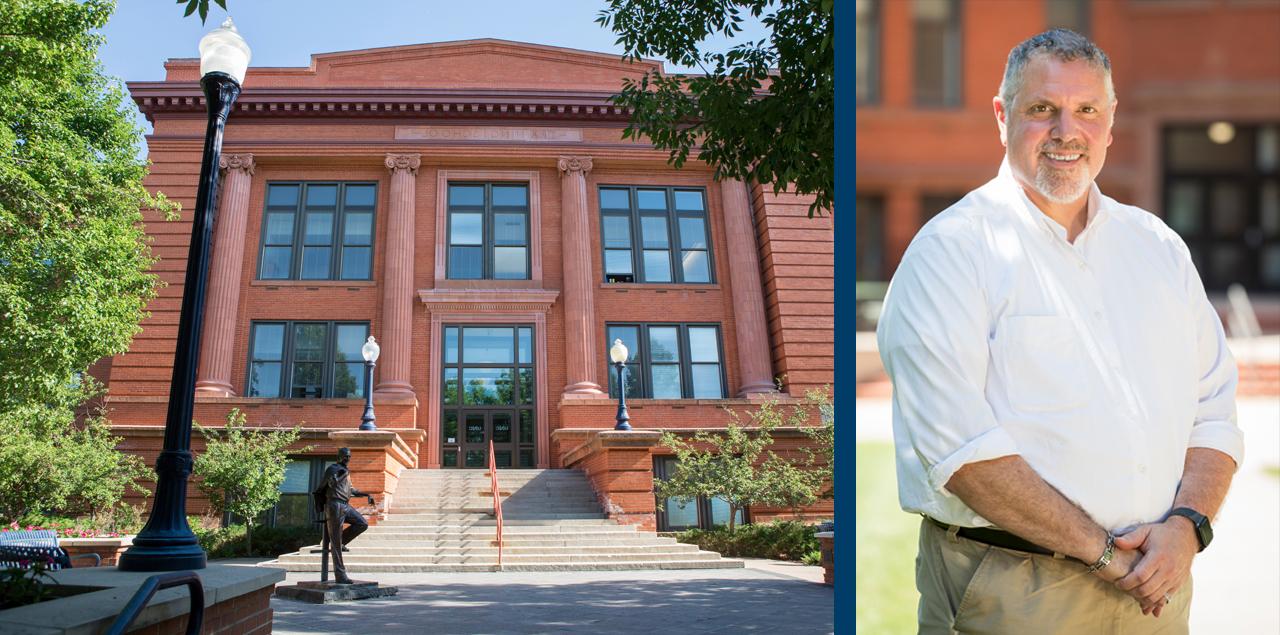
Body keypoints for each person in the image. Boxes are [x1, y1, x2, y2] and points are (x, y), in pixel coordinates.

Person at [876, 29, 1243, 634]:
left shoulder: (1158, 248)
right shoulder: (951, 250)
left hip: (1160, 586)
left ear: (1110, 119)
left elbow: (1214, 411)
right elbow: (961, 452)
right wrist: (1102, 552)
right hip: (1013, 590)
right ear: (1002, 115)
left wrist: (1186, 527)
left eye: (1086, 110)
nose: (1066, 131)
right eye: (1042, 109)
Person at [312, 447, 374, 584]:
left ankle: (342, 542)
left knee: (362, 524)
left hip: (345, 505)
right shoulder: (333, 469)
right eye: (345, 456)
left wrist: (367, 495)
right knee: (335, 541)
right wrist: (337, 476)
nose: (348, 459)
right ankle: (340, 576)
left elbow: (351, 490)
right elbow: (328, 484)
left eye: (349, 456)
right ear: (339, 456)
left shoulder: (345, 471)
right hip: (334, 505)